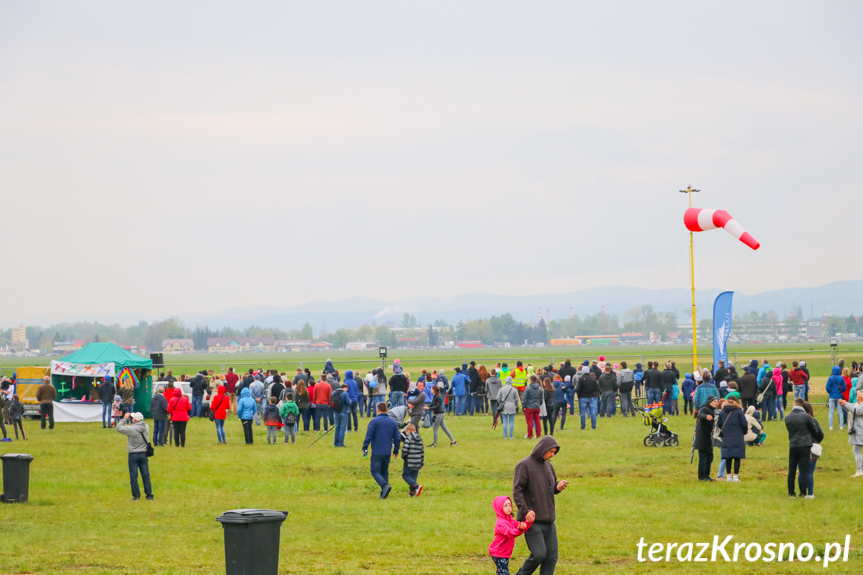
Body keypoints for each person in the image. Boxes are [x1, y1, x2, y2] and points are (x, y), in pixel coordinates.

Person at [512, 436, 568, 575]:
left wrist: (557, 487)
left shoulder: (549, 466)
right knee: (539, 555)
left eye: (554, 452)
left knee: (551, 557)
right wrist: (525, 511)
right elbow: (517, 491)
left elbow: (551, 487)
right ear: (542, 449)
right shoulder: (524, 465)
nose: (552, 455)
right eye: (551, 452)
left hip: (549, 519)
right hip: (532, 520)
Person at [785, 398, 824, 497]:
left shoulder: (788, 417)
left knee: (792, 470)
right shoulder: (806, 417)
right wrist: (815, 441)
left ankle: (791, 493)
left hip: (793, 445)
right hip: (805, 445)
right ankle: (803, 492)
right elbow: (816, 431)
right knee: (804, 469)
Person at [362, 402, 402, 499]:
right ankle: (384, 493)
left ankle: (385, 486)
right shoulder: (393, 422)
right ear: (387, 410)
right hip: (387, 451)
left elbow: (369, 436)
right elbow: (397, 438)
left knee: (375, 471)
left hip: (377, 451)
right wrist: (396, 450)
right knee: (385, 471)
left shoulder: (374, 421)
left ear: (377, 410)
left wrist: (365, 448)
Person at [489, 496, 535, 575]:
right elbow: (510, 533)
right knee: (504, 572)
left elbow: (520, 527)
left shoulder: (510, 521)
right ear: (499, 508)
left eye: (509, 505)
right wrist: (520, 529)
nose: (509, 508)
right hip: (498, 553)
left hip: (505, 553)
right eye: (505, 506)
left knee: (501, 572)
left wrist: (528, 522)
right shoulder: (501, 523)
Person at [115, 412, 153, 501]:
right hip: (143, 453)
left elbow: (118, 428)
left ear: (135, 420)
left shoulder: (131, 429)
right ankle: (149, 495)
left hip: (133, 454)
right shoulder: (146, 427)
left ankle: (136, 496)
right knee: (145, 475)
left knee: (133, 476)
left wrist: (124, 418)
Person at [717, 397, 747, 482]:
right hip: (738, 436)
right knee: (737, 457)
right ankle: (736, 476)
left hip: (726, 436)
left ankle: (729, 475)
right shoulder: (739, 412)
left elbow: (719, 424)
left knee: (728, 457)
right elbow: (744, 424)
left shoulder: (722, 413)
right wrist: (743, 432)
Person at [801, 401, 823, 497]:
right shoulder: (813, 420)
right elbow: (821, 434)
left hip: (800, 447)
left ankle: (803, 492)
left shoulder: (799, 421)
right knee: (809, 472)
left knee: (802, 471)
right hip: (812, 447)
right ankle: (810, 493)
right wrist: (816, 442)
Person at [839, 392, 863, 477]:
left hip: (860, 432)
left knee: (857, 450)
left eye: (858, 396)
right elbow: (850, 407)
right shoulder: (857, 404)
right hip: (856, 431)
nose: (857, 397)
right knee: (856, 450)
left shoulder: (861, 406)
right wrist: (843, 404)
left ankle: (859, 470)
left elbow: (855, 410)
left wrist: (846, 403)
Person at [695, 396, 719, 481]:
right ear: (709, 402)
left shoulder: (713, 411)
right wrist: (706, 417)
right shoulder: (705, 409)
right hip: (702, 438)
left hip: (709, 438)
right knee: (703, 458)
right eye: (714, 401)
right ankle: (701, 476)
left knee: (709, 457)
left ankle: (707, 475)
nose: (716, 403)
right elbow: (700, 415)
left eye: (716, 401)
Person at [400, 423, 425, 496]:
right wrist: (421, 462)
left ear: (407, 431)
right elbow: (422, 451)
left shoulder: (408, 438)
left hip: (409, 461)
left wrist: (403, 456)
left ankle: (416, 486)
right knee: (413, 477)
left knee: (405, 476)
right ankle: (412, 493)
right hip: (417, 461)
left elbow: (405, 450)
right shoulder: (420, 438)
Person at [827, 366, 847, 431]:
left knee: (831, 412)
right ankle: (841, 426)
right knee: (840, 412)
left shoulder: (830, 378)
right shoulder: (841, 378)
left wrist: (830, 392)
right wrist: (840, 390)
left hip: (831, 396)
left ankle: (830, 426)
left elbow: (827, 387)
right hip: (839, 396)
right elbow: (844, 387)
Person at [332, 382, 351, 447]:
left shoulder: (333, 393)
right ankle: (340, 443)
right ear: (345, 388)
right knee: (342, 428)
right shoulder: (345, 394)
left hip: (336, 412)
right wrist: (350, 401)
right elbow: (348, 403)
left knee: (337, 427)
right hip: (344, 412)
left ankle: (336, 443)